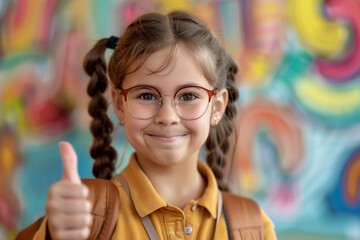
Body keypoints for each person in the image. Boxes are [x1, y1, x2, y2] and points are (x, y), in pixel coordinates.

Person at [32, 10, 276, 239]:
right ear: (119, 105)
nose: (168, 116)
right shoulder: (84, 214)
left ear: (217, 107)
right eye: (146, 96)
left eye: (188, 96)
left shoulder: (253, 225)